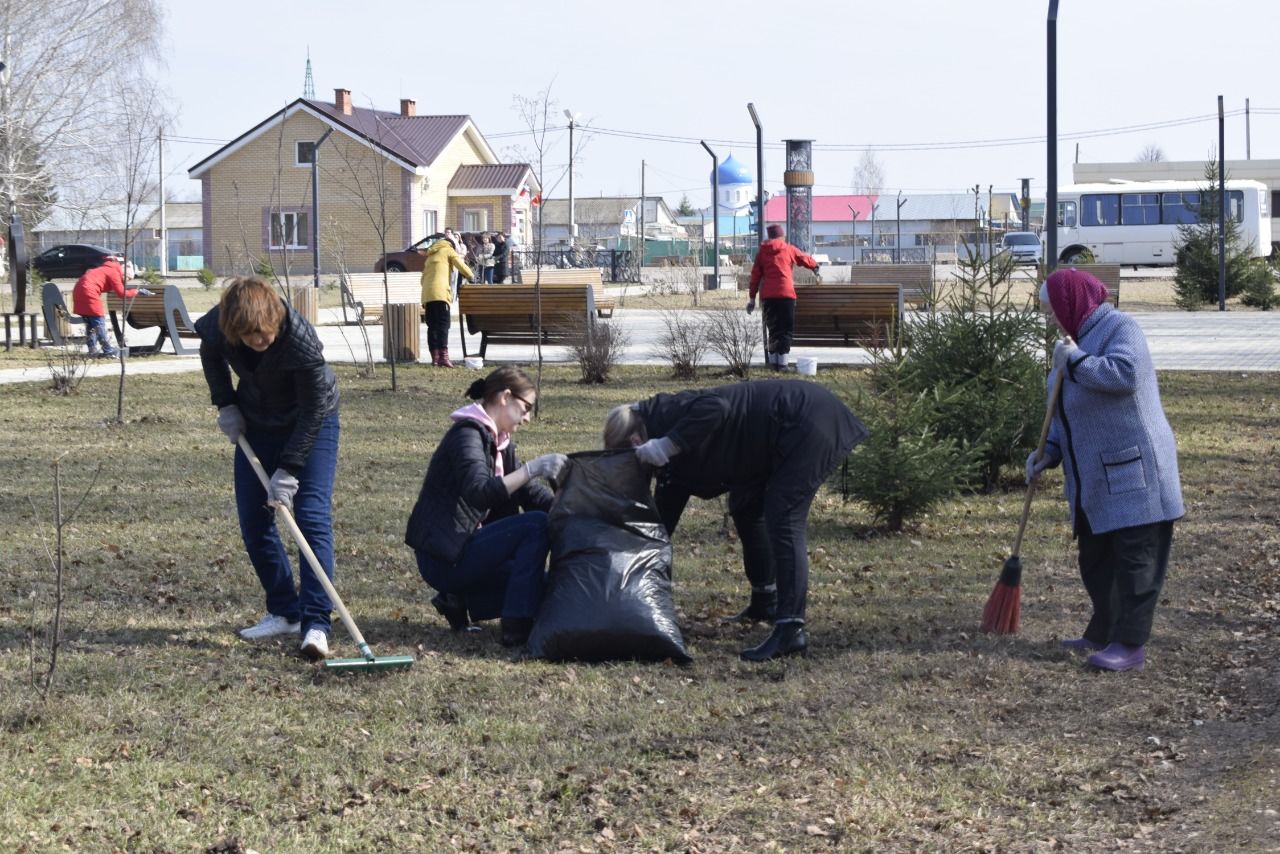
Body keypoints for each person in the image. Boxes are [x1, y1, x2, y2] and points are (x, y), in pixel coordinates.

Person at [603, 380, 868, 661]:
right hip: (766, 441)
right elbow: (660, 524)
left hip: (807, 420)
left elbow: (717, 406)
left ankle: (791, 629)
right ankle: (765, 600)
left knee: (785, 516)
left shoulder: (668, 414)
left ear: (635, 443)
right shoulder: (662, 450)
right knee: (746, 507)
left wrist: (668, 445)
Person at [1027, 268, 1184, 672]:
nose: (1047, 319)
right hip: (1094, 479)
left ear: (1069, 303)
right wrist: (1049, 451)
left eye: (1049, 310)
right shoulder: (1072, 342)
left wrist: (1075, 361)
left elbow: (1124, 375)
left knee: (1134, 561)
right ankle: (1103, 630)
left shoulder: (1119, 327)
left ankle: (1130, 645)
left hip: (1136, 472)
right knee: (1096, 559)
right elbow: (1063, 411)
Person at [194, 277, 341, 661]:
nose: (259, 341)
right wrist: (225, 403)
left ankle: (315, 624)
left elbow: (313, 412)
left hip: (314, 420)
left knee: (310, 518)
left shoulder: (301, 340)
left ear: (276, 319)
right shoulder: (218, 325)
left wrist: (290, 469)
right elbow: (209, 351)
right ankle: (284, 611)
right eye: (250, 336)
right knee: (254, 522)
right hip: (257, 419)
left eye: (265, 334)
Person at [405, 367, 568, 647]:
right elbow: (479, 492)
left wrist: (573, 508)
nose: (528, 418)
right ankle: (517, 625)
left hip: (469, 551)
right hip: (444, 557)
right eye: (526, 407)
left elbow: (530, 495)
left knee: (546, 587)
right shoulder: (466, 435)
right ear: (505, 397)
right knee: (536, 524)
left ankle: (459, 598)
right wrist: (533, 468)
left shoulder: (501, 443)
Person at [747, 224, 819, 371]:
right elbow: (804, 258)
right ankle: (783, 364)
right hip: (786, 295)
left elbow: (755, 277)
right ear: (781, 236)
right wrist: (815, 267)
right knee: (786, 330)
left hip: (768, 297)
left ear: (769, 236)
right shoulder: (789, 249)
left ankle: (773, 364)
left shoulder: (761, 253)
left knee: (773, 329)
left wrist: (752, 298)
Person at [71, 256, 150, 357]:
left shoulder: (104, 269)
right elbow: (122, 294)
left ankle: (92, 349)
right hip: (89, 293)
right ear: (124, 273)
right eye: (127, 278)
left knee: (91, 324)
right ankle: (108, 350)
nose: (126, 281)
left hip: (78, 292)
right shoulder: (114, 272)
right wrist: (137, 291)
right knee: (99, 323)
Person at [420, 235, 474, 368]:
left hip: (427, 295)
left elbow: (422, 279)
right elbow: (460, 264)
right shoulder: (448, 250)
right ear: (452, 245)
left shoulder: (430, 255)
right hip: (441, 294)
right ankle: (444, 358)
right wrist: (471, 276)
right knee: (443, 326)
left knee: (432, 327)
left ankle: (435, 358)